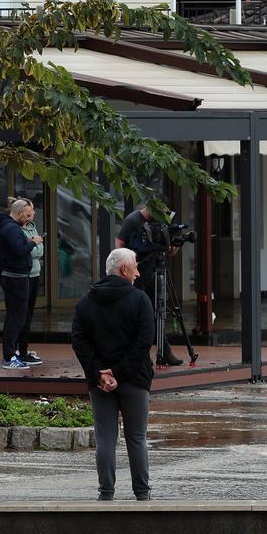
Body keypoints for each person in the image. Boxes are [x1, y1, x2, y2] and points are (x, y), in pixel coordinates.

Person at [71, 247, 157, 502]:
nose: (138, 273)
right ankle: (142, 493)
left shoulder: (86, 301)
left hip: (99, 383)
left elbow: (79, 340)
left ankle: (105, 492)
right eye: (136, 268)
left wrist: (99, 373)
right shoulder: (140, 300)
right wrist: (119, 373)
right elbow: (144, 342)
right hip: (134, 379)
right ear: (124, 270)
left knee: (105, 438)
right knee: (137, 438)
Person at [116, 203, 183, 366]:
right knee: (139, 314)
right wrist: (124, 269)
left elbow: (170, 251)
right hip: (135, 273)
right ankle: (141, 355)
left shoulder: (162, 221)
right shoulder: (132, 220)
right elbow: (119, 244)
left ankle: (164, 352)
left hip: (155, 271)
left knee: (158, 312)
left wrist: (176, 243)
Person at [0, 198, 44, 370]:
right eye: (28, 214)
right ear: (20, 212)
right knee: (16, 318)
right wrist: (33, 242)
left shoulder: (10, 227)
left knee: (19, 317)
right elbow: (19, 251)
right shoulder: (11, 229)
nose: (31, 217)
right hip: (15, 277)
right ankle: (8, 357)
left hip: (17, 275)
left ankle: (15, 354)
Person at [19, 201, 45, 365]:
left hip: (35, 273)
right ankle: (20, 349)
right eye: (30, 212)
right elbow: (29, 250)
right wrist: (34, 244)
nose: (33, 213)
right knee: (23, 314)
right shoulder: (18, 229)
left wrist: (35, 245)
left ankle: (23, 348)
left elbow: (39, 250)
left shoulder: (32, 226)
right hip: (25, 274)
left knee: (29, 312)